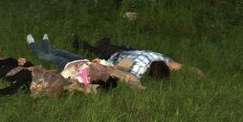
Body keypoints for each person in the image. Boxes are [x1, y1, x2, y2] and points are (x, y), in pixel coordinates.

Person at [0, 44, 88, 106]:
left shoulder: (25, 83)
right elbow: (33, 67)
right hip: (14, 64)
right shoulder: (40, 75)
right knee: (4, 60)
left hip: (3, 70)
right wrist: (26, 63)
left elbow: (8, 90)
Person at [27, 34, 144, 89]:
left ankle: (33, 46)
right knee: (60, 51)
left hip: (68, 65)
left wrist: (73, 69)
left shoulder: (86, 80)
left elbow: (71, 78)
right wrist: (98, 61)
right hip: (83, 59)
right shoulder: (105, 72)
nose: (100, 75)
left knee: (48, 57)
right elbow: (105, 64)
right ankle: (46, 44)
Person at [72, 36, 204, 80]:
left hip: (128, 50)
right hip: (113, 55)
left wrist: (194, 70)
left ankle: (104, 43)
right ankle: (78, 42)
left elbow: (176, 65)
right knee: (92, 50)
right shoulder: (139, 70)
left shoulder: (160, 59)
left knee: (112, 47)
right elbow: (126, 77)